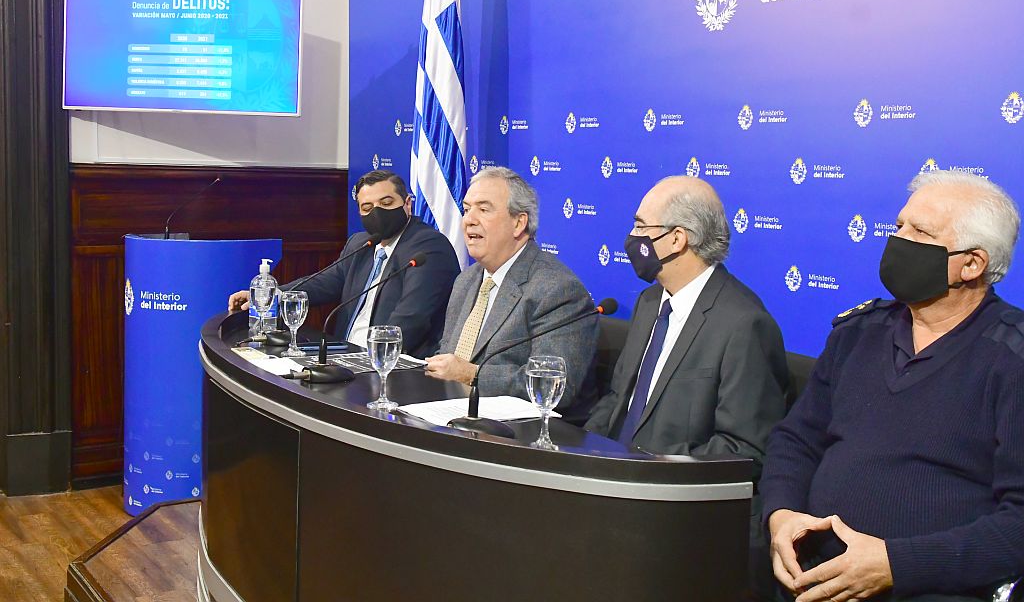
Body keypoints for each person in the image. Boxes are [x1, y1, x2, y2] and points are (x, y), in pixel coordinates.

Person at [761, 170, 1024, 601]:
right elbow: (796, 440)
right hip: (811, 580)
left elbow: (1018, 522)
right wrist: (781, 514)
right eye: (899, 225)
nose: (897, 239)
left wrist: (897, 565)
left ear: (972, 264)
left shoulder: (1012, 359)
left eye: (919, 232)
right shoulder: (857, 332)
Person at [585, 175, 788, 600]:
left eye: (641, 227)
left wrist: (656, 473)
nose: (632, 237)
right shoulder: (648, 303)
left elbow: (745, 450)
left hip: (678, 517)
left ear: (677, 239)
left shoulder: (743, 323)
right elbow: (618, 399)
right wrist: (583, 453)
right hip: (609, 496)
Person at [227, 170, 461, 358]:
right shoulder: (362, 243)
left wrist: (372, 359)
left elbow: (412, 317)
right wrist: (271, 296)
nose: (377, 212)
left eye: (386, 203)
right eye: (367, 208)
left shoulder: (428, 247)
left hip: (388, 363)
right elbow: (323, 283)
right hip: (345, 355)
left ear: (408, 204)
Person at [424, 167, 598, 410]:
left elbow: (555, 384)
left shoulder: (556, 290)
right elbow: (448, 358)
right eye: (466, 209)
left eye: (483, 210)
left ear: (519, 223)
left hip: (515, 435)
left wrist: (473, 375)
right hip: (449, 414)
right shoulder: (466, 280)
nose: (469, 220)